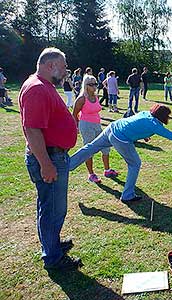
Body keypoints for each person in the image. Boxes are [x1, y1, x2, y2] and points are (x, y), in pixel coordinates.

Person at [18, 47, 82, 270]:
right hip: (50, 157)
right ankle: (53, 257)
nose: (66, 71)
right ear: (50, 65)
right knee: (53, 209)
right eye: (63, 66)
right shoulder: (37, 89)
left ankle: (51, 244)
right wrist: (46, 164)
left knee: (50, 206)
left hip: (54, 155)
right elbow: (33, 130)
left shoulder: (42, 85)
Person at [70, 104, 172, 202]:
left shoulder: (146, 113)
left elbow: (135, 122)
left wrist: (143, 134)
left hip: (112, 128)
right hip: (121, 138)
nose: (169, 118)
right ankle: (128, 195)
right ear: (162, 117)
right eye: (168, 116)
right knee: (135, 164)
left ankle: (68, 164)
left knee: (90, 147)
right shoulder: (155, 125)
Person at [72, 75, 118, 183]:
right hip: (86, 126)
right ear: (85, 85)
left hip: (97, 124)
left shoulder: (96, 96)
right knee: (89, 150)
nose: (94, 86)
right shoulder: (82, 98)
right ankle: (91, 174)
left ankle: (107, 170)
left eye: (95, 84)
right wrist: (77, 127)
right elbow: (74, 114)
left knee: (106, 147)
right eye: (91, 84)